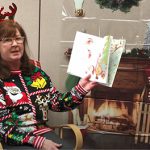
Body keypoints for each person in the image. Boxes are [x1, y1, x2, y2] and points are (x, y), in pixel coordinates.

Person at [0, 20, 97, 150]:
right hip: (14, 141)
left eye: (18, 38)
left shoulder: (37, 73)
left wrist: (80, 89)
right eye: (7, 40)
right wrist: (37, 142)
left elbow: (56, 103)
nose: (15, 44)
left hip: (45, 134)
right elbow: (2, 128)